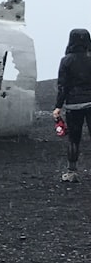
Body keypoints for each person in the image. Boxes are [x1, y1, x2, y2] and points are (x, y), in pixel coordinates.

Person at [52, 28, 91, 183]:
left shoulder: (66, 60)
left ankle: (72, 172)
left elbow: (63, 86)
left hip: (74, 104)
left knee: (74, 139)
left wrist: (58, 107)